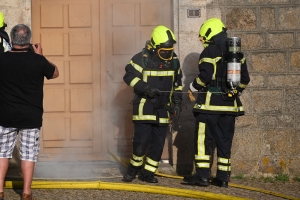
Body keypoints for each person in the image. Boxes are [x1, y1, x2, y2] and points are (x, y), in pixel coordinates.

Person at [183, 18, 250, 188]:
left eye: (204, 38)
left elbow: (205, 77)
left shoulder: (209, 52)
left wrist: (192, 87)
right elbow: (245, 79)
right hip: (229, 107)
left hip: (208, 107)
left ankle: (202, 177)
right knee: (224, 142)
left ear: (209, 34)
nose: (203, 42)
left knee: (203, 141)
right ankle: (222, 178)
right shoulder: (236, 53)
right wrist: (234, 91)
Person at [0, 24, 59, 200]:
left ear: (11, 40)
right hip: (31, 117)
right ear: (29, 42)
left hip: (5, 115)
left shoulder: (1, 59)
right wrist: (41, 56)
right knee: (28, 153)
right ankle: (26, 193)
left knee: (1, 152)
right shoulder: (38, 60)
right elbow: (55, 73)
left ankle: (0, 191)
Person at [122, 25, 182, 183]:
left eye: (170, 50)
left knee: (158, 144)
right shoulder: (141, 58)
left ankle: (148, 173)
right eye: (164, 51)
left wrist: (177, 102)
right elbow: (129, 77)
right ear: (154, 47)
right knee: (141, 143)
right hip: (144, 108)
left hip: (163, 111)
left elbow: (177, 84)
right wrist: (145, 88)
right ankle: (133, 170)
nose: (168, 54)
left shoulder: (173, 60)